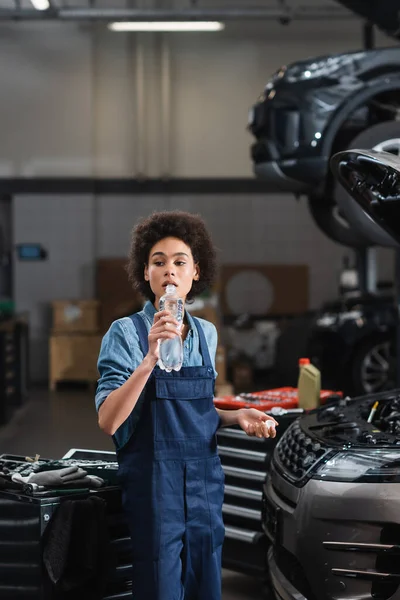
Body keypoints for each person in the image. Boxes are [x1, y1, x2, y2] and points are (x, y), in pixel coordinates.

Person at [95, 210, 278, 600]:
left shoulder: (206, 333)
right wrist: (149, 360)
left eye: (180, 262)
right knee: (161, 584)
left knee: (205, 580)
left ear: (196, 273)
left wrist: (236, 415)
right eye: (158, 262)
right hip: (154, 484)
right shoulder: (125, 334)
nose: (169, 271)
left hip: (204, 484)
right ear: (146, 273)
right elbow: (109, 421)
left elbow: (195, 411)